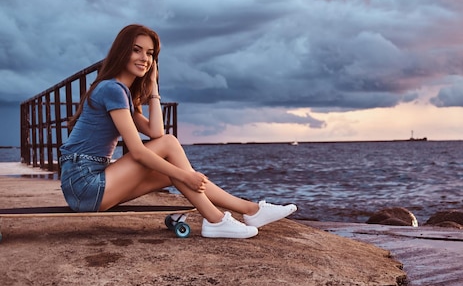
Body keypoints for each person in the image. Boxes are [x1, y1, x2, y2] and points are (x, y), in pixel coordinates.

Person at [59, 24, 296, 238]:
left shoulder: (122, 93)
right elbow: (141, 151)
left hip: (90, 184)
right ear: (122, 52)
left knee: (172, 170)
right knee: (174, 153)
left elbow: (155, 132)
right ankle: (217, 220)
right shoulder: (112, 89)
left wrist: (153, 89)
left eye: (150, 54)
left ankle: (250, 210)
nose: (144, 58)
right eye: (136, 50)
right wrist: (185, 176)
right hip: (84, 183)